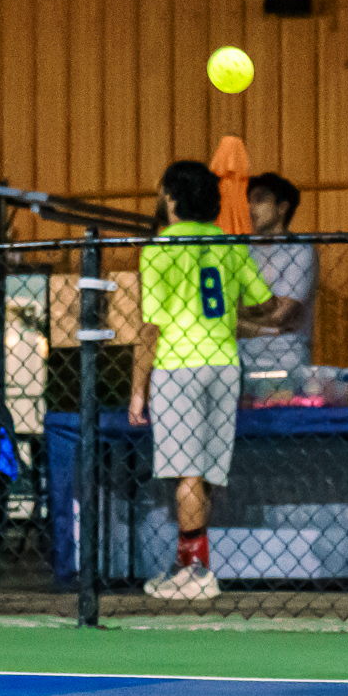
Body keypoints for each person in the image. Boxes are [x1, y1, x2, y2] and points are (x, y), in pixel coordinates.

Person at [129, 160, 301, 601]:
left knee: (185, 473)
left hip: (178, 365)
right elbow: (263, 302)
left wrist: (137, 390)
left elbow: (151, 327)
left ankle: (195, 570)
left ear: (172, 198)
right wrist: (264, 316)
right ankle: (191, 564)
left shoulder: (160, 249)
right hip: (224, 364)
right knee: (203, 473)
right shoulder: (229, 245)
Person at [238, 171, 318, 381]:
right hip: (241, 359)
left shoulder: (299, 250)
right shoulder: (242, 250)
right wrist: (267, 321)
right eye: (249, 201)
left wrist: (243, 318)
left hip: (287, 359)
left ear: (282, 208)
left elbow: (284, 314)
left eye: (260, 200)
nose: (251, 208)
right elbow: (228, 311)